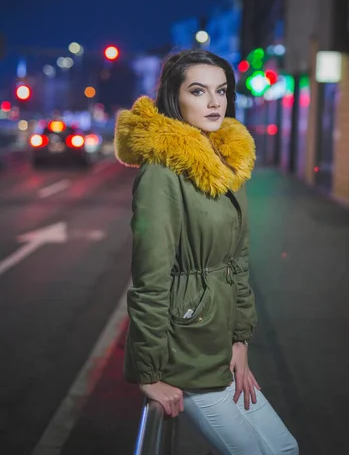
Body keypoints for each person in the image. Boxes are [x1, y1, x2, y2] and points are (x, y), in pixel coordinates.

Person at [115, 49, 299, 455]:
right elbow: (150, 278)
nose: (216, 102)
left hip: (220, 343)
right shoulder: (161, 173)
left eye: (222, 91)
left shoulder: (224, 160)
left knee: (285, 449)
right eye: (199, 91)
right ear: (173, 97)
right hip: (186, 349)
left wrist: (241, 341)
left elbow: (238, 260)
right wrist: (149, 375)